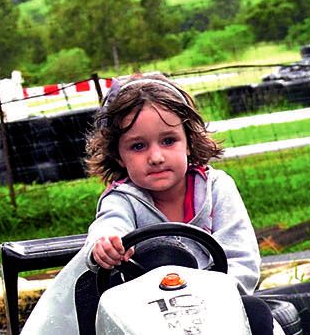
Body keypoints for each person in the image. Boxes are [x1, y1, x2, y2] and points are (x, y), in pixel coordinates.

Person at [82, 73, 260, 291]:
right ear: (118, 155)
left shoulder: (215, 187)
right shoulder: (122, 199)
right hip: (150, 311)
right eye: (138, 146)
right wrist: (105, 245)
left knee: (258, 314)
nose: (156, 157)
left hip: (218, 302)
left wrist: (218, 295)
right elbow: (109, 226)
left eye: (168, 141)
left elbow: (241, 258)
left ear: (188, 142)